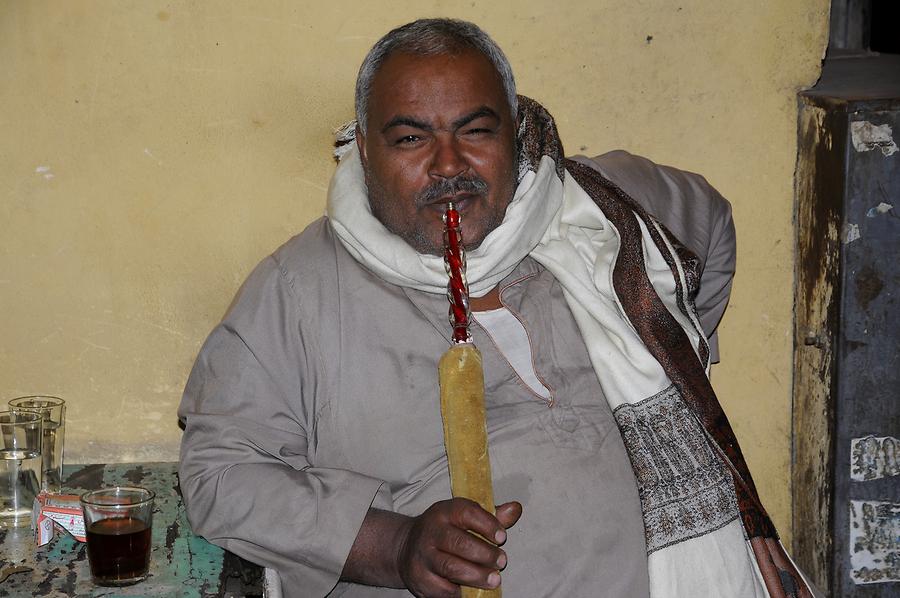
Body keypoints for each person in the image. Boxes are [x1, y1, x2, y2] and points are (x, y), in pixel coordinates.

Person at [179, 18, 810, 598]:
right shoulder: (298, 290)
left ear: (516, 131)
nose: (448, 165)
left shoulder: (599, 209)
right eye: (410, 138)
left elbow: (713, 226)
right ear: (364, 152)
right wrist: (393, 546)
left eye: (476, 131)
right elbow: (220, 474)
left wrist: (678, 355)